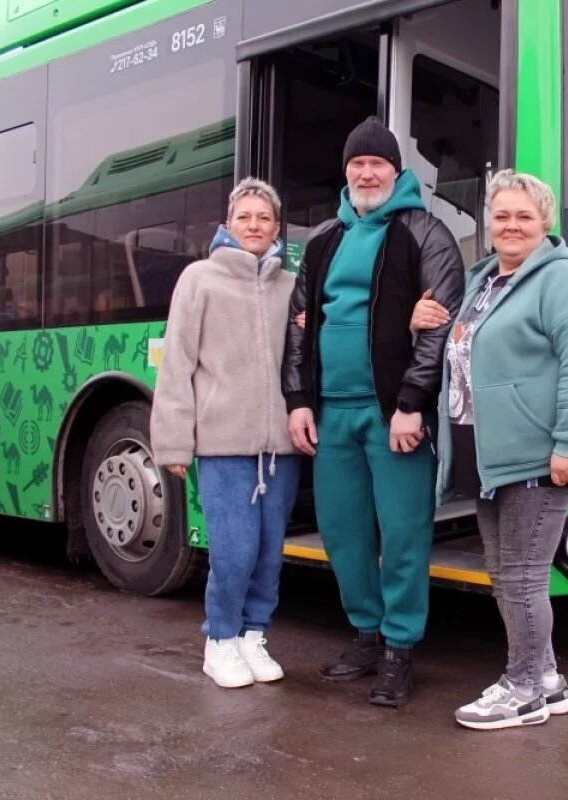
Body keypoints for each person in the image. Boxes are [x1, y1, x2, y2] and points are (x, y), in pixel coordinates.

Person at [415, 170, 568, 730]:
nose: (511, 225)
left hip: (538, 456)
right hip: (489, 455)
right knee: (505, 574)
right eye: (501, 215)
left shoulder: (563, 285)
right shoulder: (484, 282)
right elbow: (464, 355)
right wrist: (424, 323)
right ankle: (546, 679)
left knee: (522, 577)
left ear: (545, 223)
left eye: (524, 216)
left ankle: (521, 689)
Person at [281, 116, 464, 708]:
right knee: (341, 531)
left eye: (377, 164)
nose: (366, 173)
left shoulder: (426, 233)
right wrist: (298, 400)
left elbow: (441, 328)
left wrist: (412, 403)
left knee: (404, 533)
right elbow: (300, 327)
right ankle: (365, 633)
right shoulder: (323, 240)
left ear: (396, 171)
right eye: (357, 164)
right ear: (347, 173)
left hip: (394, 417)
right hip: (331, 414)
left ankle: (398, 650)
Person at [151, 178, 300, 689]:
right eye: (245, 217)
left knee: (268, 552)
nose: (254, 226)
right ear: (228, 225)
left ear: (277, 228)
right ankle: (220, 638)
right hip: (222, 445)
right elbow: (178, 364)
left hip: (279, 448)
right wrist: (173, 440)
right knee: (233, 550)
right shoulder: (199, 279)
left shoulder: (289, 284)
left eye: (264, 218)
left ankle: (253, 635)